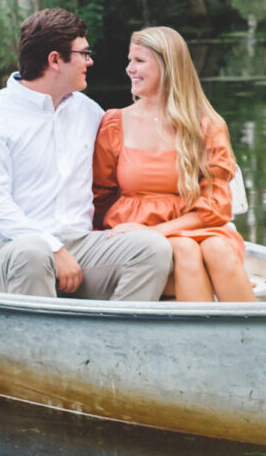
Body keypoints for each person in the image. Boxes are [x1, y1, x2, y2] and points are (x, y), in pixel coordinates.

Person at [0, 8, 172, 300]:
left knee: (153, 249)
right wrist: (53, 248)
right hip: (12, 250)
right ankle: (37, 345)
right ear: (55, 60)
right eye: (83, 53)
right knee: (34, 252)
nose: (90, 61)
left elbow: (127, 171)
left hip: (81, 246)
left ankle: (112, 340)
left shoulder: (90, 113)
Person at [92, 25, 254, 302]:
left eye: (139, 61)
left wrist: (156, 231)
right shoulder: (114, 123)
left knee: (218, 249)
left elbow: (216, 206)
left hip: (196, 228)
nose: (129, 69)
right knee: (184, 250)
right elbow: (99, 197)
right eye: (129, 60)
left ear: (168, 66)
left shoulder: (207, 125)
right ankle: (201, 342)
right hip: (137, 240)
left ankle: (257, 338)